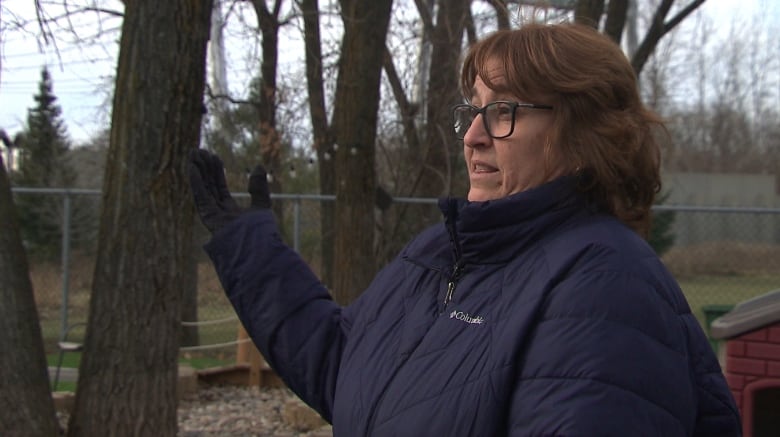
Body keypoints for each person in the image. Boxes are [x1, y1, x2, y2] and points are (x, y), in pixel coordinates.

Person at [189, 23, 741, 436]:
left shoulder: (604, 287)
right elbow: (344, 366)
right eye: (472, 110)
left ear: (584, 133)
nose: (474, 135)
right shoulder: (444, 251)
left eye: (503, 111)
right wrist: (253, 254)